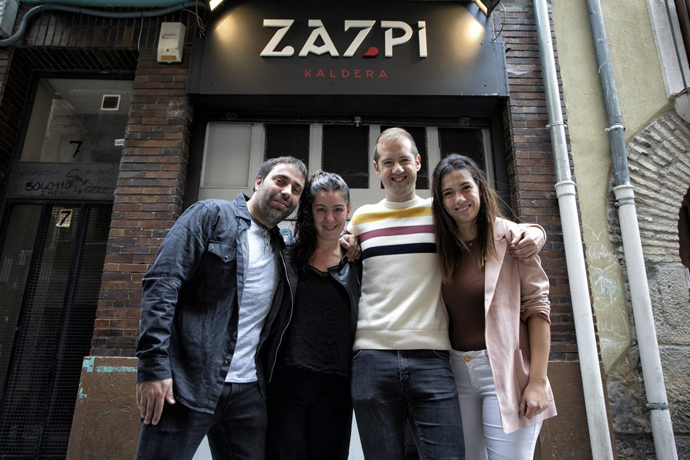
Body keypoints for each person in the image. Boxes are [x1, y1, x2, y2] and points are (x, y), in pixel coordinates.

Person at [343, 128, 545, 459]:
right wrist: (344, 241)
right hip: (372, 355)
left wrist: (536, 231)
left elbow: (493, 227)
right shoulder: (362, 219)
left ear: (418, 162)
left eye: (404, 160)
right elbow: (335, 249)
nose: (397, 169)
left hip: (433, 357)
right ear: (376, 168)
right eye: (388, 162)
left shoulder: (441, 215)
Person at [134, 156, 308, 460]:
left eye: (296, 189)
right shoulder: (211, 215)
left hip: (247, 392)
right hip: (186, 384)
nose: (287, 192)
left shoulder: (281, 250)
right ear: (258, 182)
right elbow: (162, 284)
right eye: (280, 181)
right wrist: (153, 366)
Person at [431, 154, 557, 459]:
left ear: (480, 188)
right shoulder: (440, 248)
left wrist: (537, 382)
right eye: (448, 193)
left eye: (465, 188)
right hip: (457, 372)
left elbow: (538, 309)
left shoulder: (512, 238)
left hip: (506, 371)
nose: (459, 199)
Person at [266, 171, 360, 460]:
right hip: (286, 383)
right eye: (321, 209)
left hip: (336, 386)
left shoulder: (357, 263)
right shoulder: (285, 258)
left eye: (337, 209)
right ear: (310, 211)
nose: (329, 218)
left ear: (348, 210)